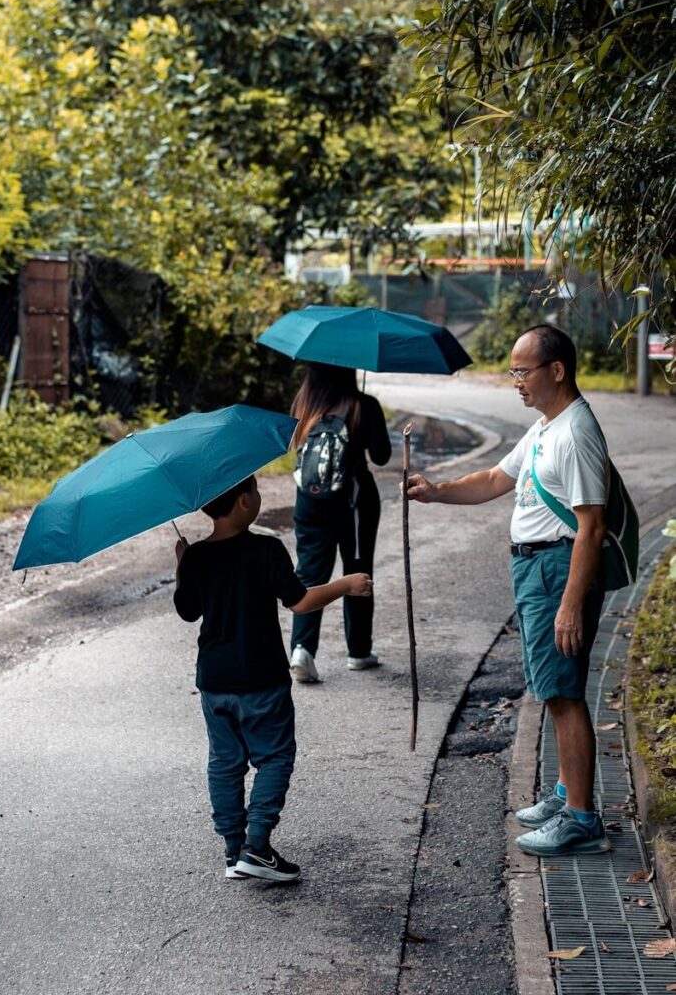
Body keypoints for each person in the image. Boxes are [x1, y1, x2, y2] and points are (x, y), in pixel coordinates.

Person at [407, 324, 611, 857]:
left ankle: (582, 819)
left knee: (563, 694)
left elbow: (590, 527)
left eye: (522, 371)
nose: (515, 381)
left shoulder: (575, 433)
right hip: (534, 570)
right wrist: (437, 492)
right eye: (513, 371)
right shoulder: (547, 426)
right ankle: (569, 793)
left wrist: (570, 604)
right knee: (551, 686)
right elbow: (498, 478)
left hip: (555, 569)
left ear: (557, 371)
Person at [173, 474, 372, 882]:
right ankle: (256, 846)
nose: (260, 497)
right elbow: (299, 603)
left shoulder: (195, 557)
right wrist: (345, 585)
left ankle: (234, 851)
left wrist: (182, 565)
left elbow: (188, 611)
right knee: (275, 757)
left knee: (225, 764)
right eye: (258, 491)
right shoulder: (266, 549)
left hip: (213, 680)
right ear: (245, 501)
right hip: (261, 677)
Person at [288, 362, 392, 683]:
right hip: (354, 502)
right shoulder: (364, 405)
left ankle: (302, 650)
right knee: (357, 570)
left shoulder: (303, 404)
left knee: (309, 573)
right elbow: (382, 456)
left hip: (308, 501)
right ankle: (358, 651)